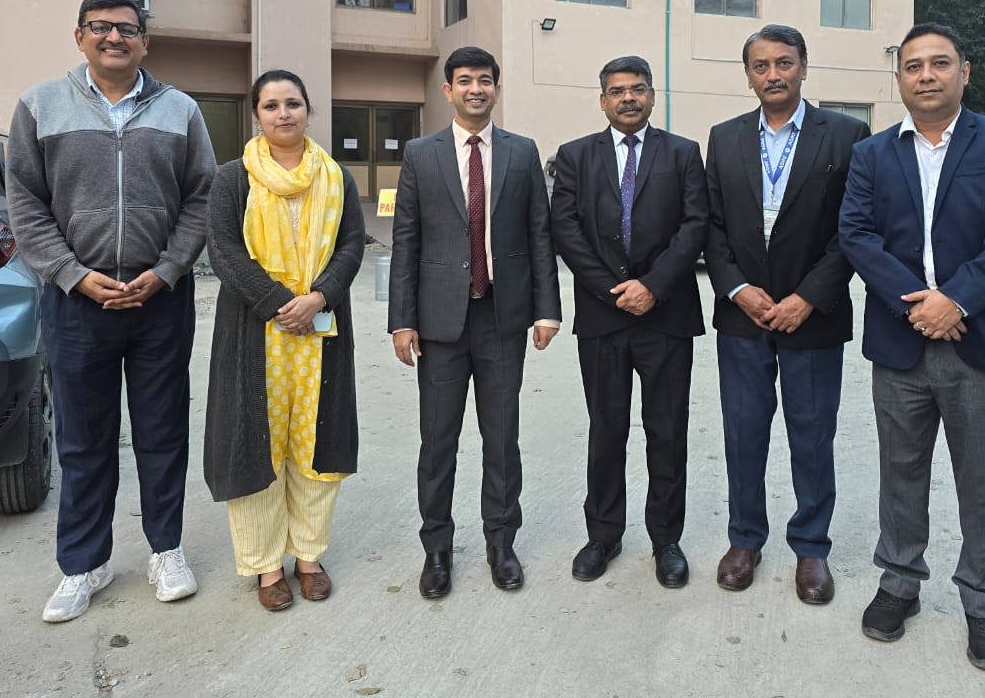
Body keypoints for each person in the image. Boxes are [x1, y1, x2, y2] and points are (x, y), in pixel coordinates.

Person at [6, 0, 216, 622]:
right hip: (77, 304)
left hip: (160, 300)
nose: (114, 38)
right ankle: (84, 563)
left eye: (127, 28)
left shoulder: (179, 109)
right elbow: (26, 202)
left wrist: (168, 269)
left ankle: (165, 549)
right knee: (83, 438)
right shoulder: (40, 106)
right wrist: (72, 275)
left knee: (162, 431)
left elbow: (201, 197)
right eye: (100, 27)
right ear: (80, 37)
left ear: (145, 42)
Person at [839, 22, 985, 673]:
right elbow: (857, 234)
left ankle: (984, 601)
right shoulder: (872, 153)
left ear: (964, 71)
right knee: (900, 471)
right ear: (899, 77)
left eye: (939, 63)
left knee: (982, 480)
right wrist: (919, 306)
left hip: (981, 341)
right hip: (899, 345)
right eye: (913, 65)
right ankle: (899, 583)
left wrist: (956, 300)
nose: (926, 75)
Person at [703, 24, 871, 605]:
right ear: (748, 75)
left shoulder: (846, 135)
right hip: (743, 317)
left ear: (803, 67)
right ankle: (744, 539)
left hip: (813, 316)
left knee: (812, 435)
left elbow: (854, 228)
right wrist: (736, 288)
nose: (772, 74)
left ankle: (811, 546)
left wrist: (809, 296)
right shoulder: (724, 138)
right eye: (761, 66)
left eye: (784, 63)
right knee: (743, 432)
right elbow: (712, 227)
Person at [388, 45, 561, 599]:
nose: (475, 89)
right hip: (439, 323)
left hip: (503, 318)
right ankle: (437, 549)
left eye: (484, 80)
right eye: (464, 80)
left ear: (496, 88)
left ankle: (501, 542)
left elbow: (539, 234)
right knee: (437, 442)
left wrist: (547, 308)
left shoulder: (522, 151)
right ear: (448, 91)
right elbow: (406, 239)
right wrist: (401, 320)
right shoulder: (421, 153)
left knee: (502, 439)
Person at [203, 70, 365, 612]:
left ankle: (309, 557)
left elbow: (351, 245)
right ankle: (266, 565)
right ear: (257, 115)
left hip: (321, 331)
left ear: (308, 111)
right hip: (255, 333)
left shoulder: (335, 176)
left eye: (293, 103)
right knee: (257, 444)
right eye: (271, 105)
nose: (283, 113)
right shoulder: (233, 178)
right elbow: (223, 249)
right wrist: (278, 302)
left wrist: (318, 298)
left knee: (315, 444)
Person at [550, 56, 707, 587]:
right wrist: (612, 289)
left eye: (638, 89)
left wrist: (653, 286)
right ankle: (603, 535)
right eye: (617, 91)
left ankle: (666, 539)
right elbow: (565, 228)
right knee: (607, 429)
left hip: (667, 315)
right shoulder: (575, 156)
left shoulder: (683, 153)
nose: (628, 98)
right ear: (603, 101)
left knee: (667, 431)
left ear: (652, 96)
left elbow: (694, 225)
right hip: (603, 317)